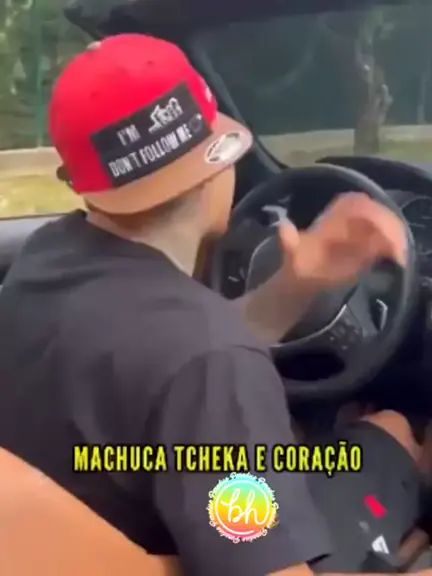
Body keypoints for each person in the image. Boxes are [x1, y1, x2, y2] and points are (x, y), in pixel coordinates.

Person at [0, 33, 429, 576]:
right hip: (209, 548)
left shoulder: (45, 260)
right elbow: (192, 359)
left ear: (83, 183)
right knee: (393, 433)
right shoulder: (208, 359)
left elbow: (165, 356)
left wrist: (295, 287)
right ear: (216, 163)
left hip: (100, 529)